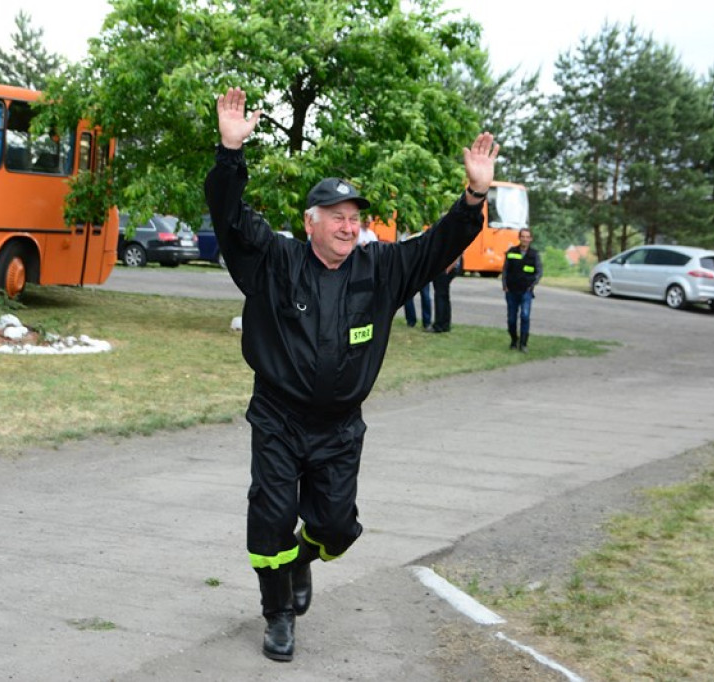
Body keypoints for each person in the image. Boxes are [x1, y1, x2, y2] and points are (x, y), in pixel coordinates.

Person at [204, 87, 498, 662]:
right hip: (279, 418)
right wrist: (229, 153)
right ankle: (278, 612)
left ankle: (302, 560)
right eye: (336, 218)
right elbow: (229, 217)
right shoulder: (275, 261)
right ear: (310, 223)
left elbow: (440, 244)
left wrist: (475, 194)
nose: (348, 226)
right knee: (268, 519)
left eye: (354, 218)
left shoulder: (381, 268)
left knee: (337, 530)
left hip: (339, 427)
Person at [502, 227, 542, 352]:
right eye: (523, 236)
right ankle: (514, 340)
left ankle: (523, 344)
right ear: (519, 238)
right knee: (512, 319)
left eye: (527, 237)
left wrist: (532, 285)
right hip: (511, 291)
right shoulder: (512, 251)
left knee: (525, 316)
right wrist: (505, 285)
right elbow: (505, 270)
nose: (525, 239)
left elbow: (539, 272)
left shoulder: (534, 255)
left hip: (526, 291)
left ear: (531, 239)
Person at [428, 255, 462, 333]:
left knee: (440, 296)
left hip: (446, 267)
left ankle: (439, 325)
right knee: (444, 296)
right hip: (451, 267)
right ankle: (445, 324)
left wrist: (447, 269)